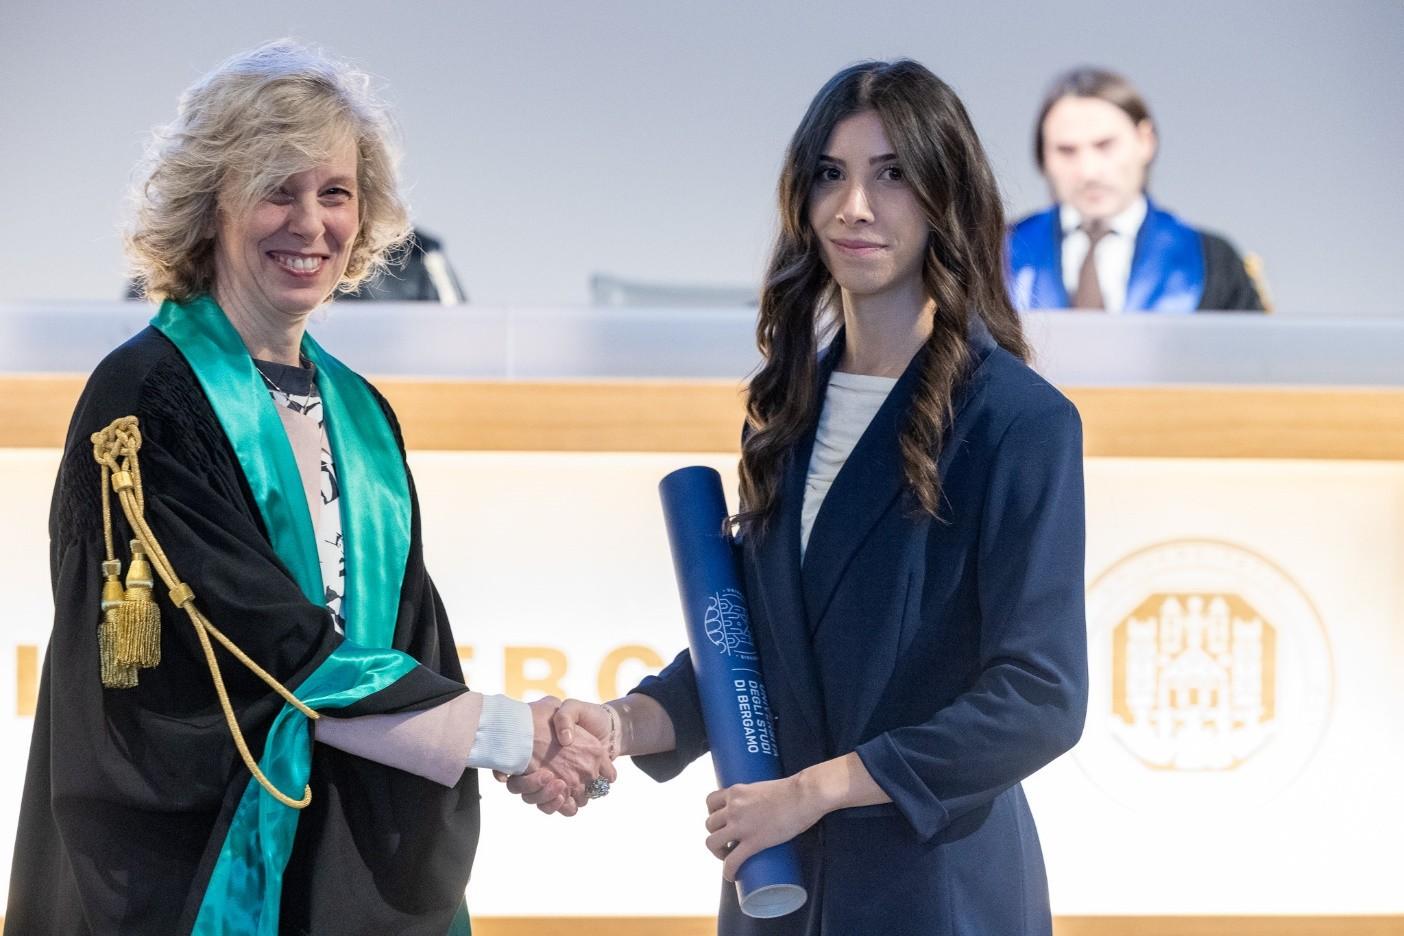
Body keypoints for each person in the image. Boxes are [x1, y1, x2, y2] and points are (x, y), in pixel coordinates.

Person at [6, 41, 611, 936]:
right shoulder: (144, 401)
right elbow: (253, 644)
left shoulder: (361, 414)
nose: (310, 224)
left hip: (337, 856)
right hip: (191, 868)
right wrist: (508, 735)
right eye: (276, 191)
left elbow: (410, 643)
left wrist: (519, 742)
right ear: (212, 205)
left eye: (335, 193)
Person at [508, 60, 1089, 935]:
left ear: (947, 195)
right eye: (831, 173)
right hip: (779, 888)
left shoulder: (1018, 420)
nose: (854, 206)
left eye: (892, 175)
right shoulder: (788, 407)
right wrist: (620, 725)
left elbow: (1040, 699)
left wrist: (813, 792)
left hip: (933, 894)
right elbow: (760, 648)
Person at [1007, 66, 1266, 312]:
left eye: (1105, 145)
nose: (1088, 172)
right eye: (1066, 151)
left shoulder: (1213, 262)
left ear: (1145, 141)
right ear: (1042, 158)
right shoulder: (1000, 254)